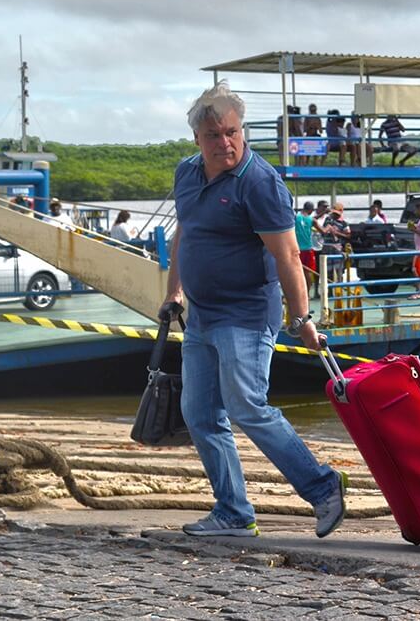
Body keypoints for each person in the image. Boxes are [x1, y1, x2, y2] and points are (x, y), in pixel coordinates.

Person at [163, 81, 345, 539]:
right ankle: (234, 512)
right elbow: (185, 235)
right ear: (196, 139)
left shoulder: (260, 183)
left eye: (232, 132)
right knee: (200, 414)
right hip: (202, 314)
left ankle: (323, 488)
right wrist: (175, 292)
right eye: (213, 135)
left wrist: (302, 320)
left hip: (245, 314)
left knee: (246, 404)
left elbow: (288, 257)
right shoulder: (187, 173)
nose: (225, 143)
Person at [320, 203, 351, 283]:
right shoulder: (328, 219)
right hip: (326, 247)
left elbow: (348, 236)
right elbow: (323, 230)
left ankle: (339, 291)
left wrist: (337, 233)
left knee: (339, 271)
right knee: (327, 272)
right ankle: (329, 291)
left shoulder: (344, 223)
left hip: (337, 248)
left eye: (336, 214)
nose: (335, 215)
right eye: (333, 213)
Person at [294, 202, 320, 293]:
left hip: (297, 249)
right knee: (308, 272)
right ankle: (307, 293)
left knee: (297, 272)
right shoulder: (312, 220)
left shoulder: (295, 218)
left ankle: (297, 292)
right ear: (311, 210)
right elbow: (324, 231)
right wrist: (329, 227)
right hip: (308, 249)